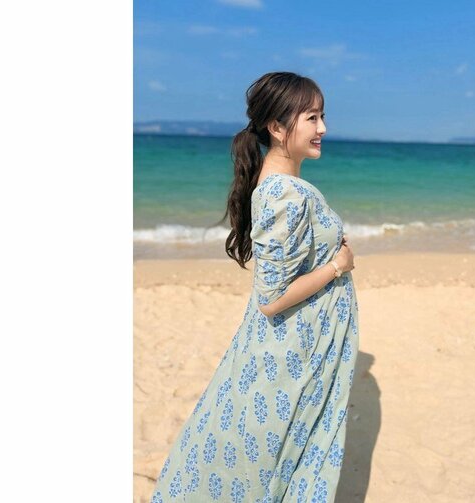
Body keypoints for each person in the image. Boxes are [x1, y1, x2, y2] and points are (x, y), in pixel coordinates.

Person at [149, 71, 359, 503]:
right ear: (277, 127)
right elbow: (272, 298)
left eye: (322, 116)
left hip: (302, 346)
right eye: (312, 118)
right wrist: (337, 266)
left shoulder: (284, 187)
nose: (323, 128)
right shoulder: (283, 193)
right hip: (294, 352)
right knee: (277, 461)